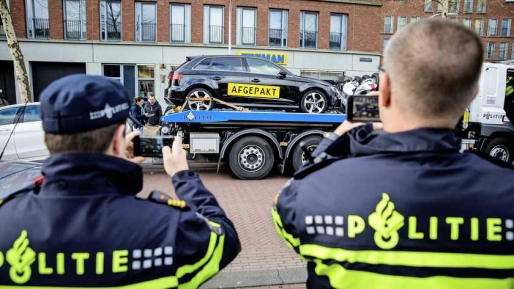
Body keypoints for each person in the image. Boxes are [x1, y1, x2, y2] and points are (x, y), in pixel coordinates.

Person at [272, 18, 514, 288]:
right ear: (472, 95)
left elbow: (286, 207)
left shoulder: (310, 192)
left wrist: (339, 135)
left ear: (384, 89)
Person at [0, 75, 240, 287]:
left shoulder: (6, 221)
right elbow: (225, 238)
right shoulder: (168, 228)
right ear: (118, 139)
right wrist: (182, 177)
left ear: (47, 138)